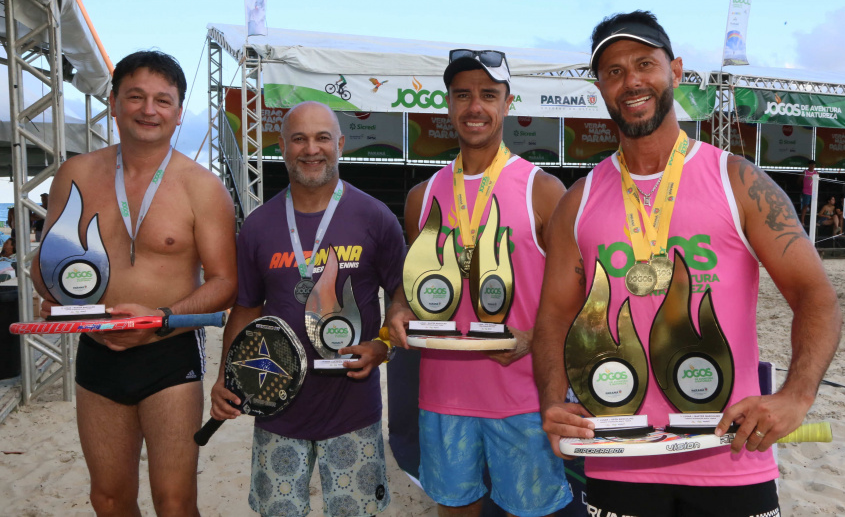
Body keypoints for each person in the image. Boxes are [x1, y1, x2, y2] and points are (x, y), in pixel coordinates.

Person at [532, 10, 841, 517]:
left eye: (643, 64)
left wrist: (795, 395)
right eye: (613, 71)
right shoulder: (579, 200)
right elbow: (552, 318)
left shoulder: (737, 179)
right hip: (617, 453)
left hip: (730, 455)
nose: (631, 80)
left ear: (674, 71)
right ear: (600, 88)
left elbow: (815, 296)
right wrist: (553, 400)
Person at [30, 50, 238, 517]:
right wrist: (53, 295)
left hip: (170, 350)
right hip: (98, 350)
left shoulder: (201, 186)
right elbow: (47, 265)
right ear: (113, 101)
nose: (149, 110)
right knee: (107, 498)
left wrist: (160, 321)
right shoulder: (77, 174)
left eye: (163, 100)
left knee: (175, 501)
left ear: (179, 111)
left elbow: (226, 282)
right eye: (136, 97)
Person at [386, 48, 571, 517]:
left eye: (489, 95)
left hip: (525, 395)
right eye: (463, 94)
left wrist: (533, 338)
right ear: (448, 104)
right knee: (457, 510)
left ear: (508, 104)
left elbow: (577, 295)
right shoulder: (420, 197)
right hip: (445, 394)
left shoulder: (543, 190)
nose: (475, 107)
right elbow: (415, 283)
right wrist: (399, 307)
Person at [209, 101, 406, 516]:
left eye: (322, 138)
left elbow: (402, 297)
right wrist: (227, 377)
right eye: (299, 138)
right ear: (282, 146)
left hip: (352, 408)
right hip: (276, 405)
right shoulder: (259, 225)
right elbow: (245, 309)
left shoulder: (376, 217)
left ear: (340, 144)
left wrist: (383, 346)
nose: (311, 149)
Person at [799, 160, 817, 224]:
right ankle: (802, 221)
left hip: (814, 192)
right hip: (806, 191)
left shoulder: (816, 173)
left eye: (813, 165)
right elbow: (800, 180)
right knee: (805, 206)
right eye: (811, 165)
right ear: (809, 165)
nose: (812, 166)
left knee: (813, 206)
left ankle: (813, 221)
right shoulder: (805, 172)